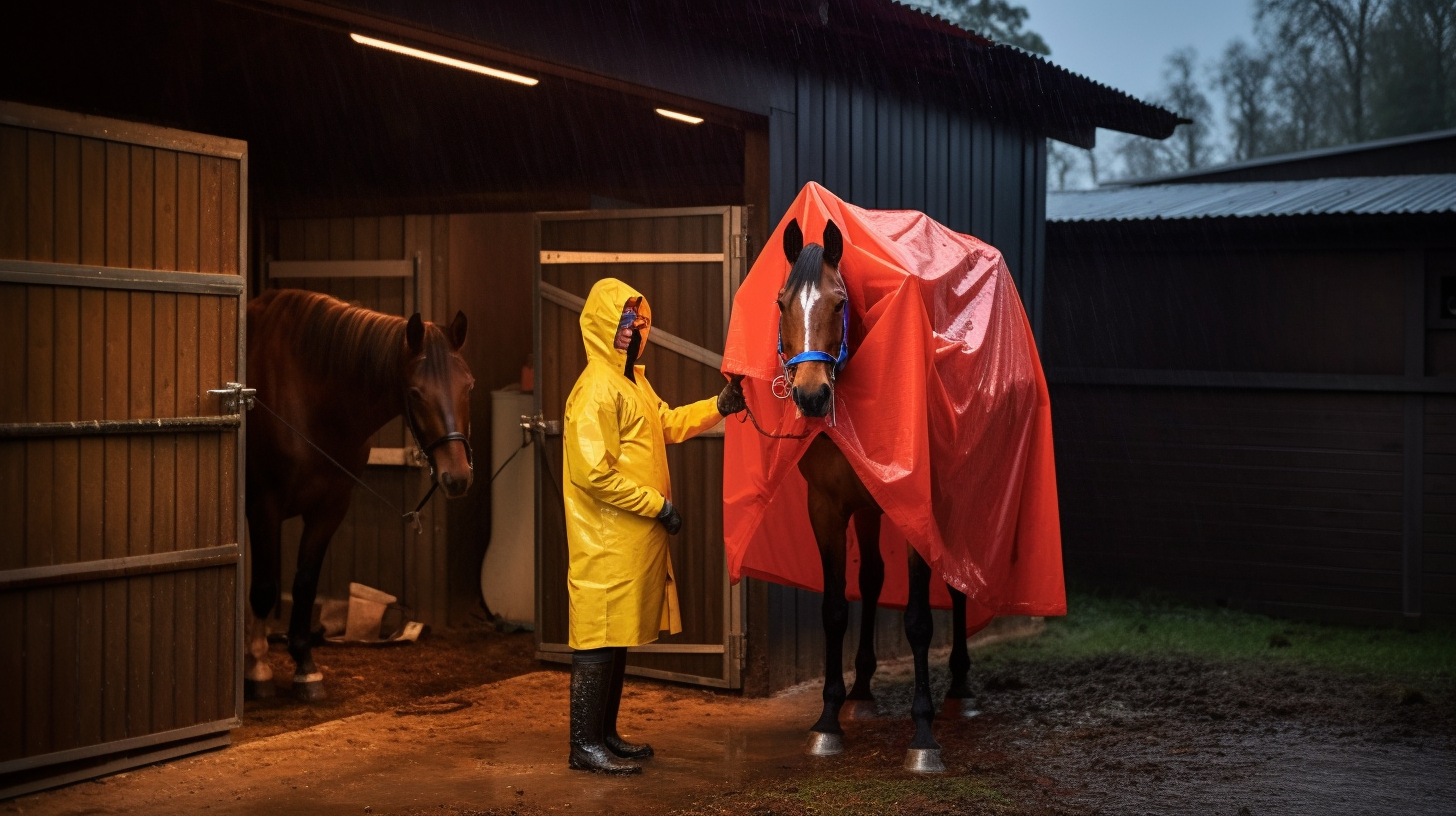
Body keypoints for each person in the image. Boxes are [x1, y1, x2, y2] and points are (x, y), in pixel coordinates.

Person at [561, 278, 746, 774]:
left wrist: (718, 406)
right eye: (622, 321)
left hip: (629, 541)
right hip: (605, 541)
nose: (631, 330)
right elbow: (593, 473)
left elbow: (663, 423)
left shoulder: (632, 383)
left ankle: (604, 735)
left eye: (637, 321)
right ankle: (584, 746)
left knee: (615, 635)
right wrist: (657, 506)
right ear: (601, 325)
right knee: (597, 637)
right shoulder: (596, 389)